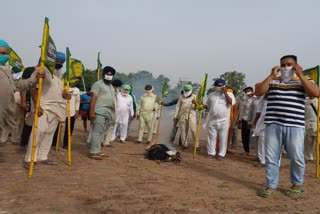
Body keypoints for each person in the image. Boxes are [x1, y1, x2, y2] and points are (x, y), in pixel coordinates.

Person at [255, 55, 319, 198]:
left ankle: (297, 183)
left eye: (289, 64)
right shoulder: (273, 80)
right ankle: (271, 185)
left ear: (296, 65)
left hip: (295, 125)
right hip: (273, 124)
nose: (286, 68)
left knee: (296, 156)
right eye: (283, 65)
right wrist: (272, 75)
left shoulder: (303, 80)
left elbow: (315, 93)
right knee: (271, 157)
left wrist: (301, 74)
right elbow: (258, 92)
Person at [24, 52, 70, 169]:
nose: (59, 64)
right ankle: (29, 159)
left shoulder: (59, 76)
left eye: (61, 62)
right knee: (38, 132)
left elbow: (58, 92)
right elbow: (33, 88)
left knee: (49, 133)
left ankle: (42, 156)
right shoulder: (41, 70)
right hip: (43, 107)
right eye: (57, 61)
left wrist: (65, 94)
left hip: (57, 108)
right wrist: (37, 105)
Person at [0, 39, 44, 146]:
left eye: (4, 54)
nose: (3, 56)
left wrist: (35, 78)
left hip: (5, 114)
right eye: (0, 53)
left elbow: (19, 85)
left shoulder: (6, 73)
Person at [89, 66, 116, 160]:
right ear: (103, 74)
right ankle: (93, 152)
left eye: (111, 75)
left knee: (102, 133)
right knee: (97, 131)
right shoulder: (98, 84)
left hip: (109, 112)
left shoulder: (111, 86)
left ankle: (98, 150)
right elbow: (93, 98)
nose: (109, 76)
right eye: (107, 74)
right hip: (99, 111)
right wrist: (91, 111)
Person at [204, 79, 235, 160]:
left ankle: (221, 154)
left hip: (224, 120)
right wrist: (199, 105)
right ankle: (211, 153)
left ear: (224, 86)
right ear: (215, 86)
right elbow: (207, 106)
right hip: (212, 120)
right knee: (211, 137)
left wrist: (225, 93)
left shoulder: (230, 94)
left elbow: (231, 102)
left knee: (223, 137)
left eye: (222, 86)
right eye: (218, 86)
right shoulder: (211, 95)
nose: (220, 87)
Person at [173, 84, 196, 149]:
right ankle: (184, 144)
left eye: (188, 90)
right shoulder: (181, 97)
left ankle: (196, 145)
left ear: (191, 90)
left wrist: (195, 103)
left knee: (193, 130)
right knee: (183, 131)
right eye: (185, 90)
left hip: (191, 116)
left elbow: (199, 107)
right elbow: (177, 107)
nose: (186, 91)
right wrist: (175, 116)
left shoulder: (195, 97)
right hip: (182, 115)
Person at [238, 86, 254, 155]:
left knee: (254, 137)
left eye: (249, 91)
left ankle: (259, 154)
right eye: (246, 92)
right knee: (244, 136)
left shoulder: (256, 99)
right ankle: (246, 151)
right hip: (245, 119)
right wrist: (239, 121)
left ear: (252, 91)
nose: (248, 93)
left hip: (254, 120)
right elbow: (241, 111)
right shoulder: (244, 101)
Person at [304, 97, 318, 164]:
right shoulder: (305, 101)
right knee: (309, 143)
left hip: (313, 124)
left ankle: (312, 158)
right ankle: (310, 157)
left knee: (315, 143)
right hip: (311, 124)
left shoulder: (317, 101)